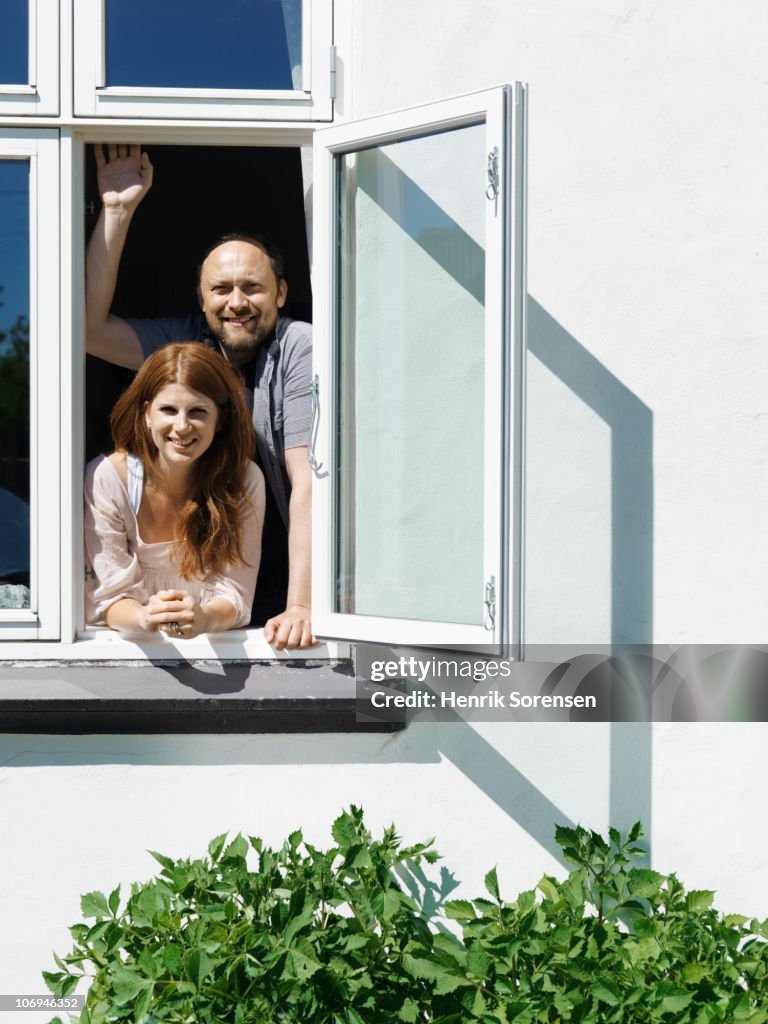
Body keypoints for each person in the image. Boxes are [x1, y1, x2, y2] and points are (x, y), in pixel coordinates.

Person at [85, 143, 314, 649]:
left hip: (277, 569)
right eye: (221, 289)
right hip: (216, 582)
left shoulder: (298, 346)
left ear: (280, 292)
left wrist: (303, 603)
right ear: (202, 297)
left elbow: (307, 483)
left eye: (252, 288)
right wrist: (117, 213)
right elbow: (87, 331)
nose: (236, 302)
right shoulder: (187, 345)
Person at [85, 343, 265, 637]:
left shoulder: (243, 480)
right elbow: (110, 597)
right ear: (147, 414)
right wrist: (145, 617)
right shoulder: (109, 478)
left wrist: (204, 618)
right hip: (124, 649)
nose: (182, 426)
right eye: (168, 409)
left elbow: (237, 594)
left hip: (211, 645)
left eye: (198, 411)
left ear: (220, 419)